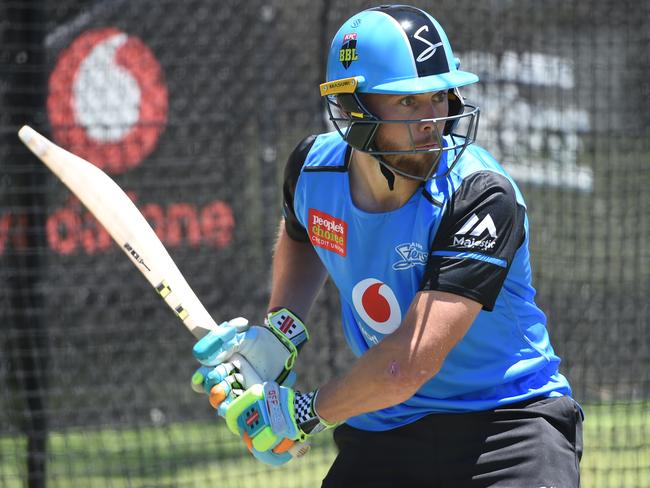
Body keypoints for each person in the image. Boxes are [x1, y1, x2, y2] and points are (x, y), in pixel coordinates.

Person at [191, 5, 583, 487]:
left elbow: (408, 363)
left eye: (439, 97)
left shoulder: (481, 196)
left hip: (507, 426)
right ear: (354, 108)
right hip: (386, 425)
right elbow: (303, 234)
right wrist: (282, 333)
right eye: (408, 103)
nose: (432, 121)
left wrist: (301, 413)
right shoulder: (312, 171)